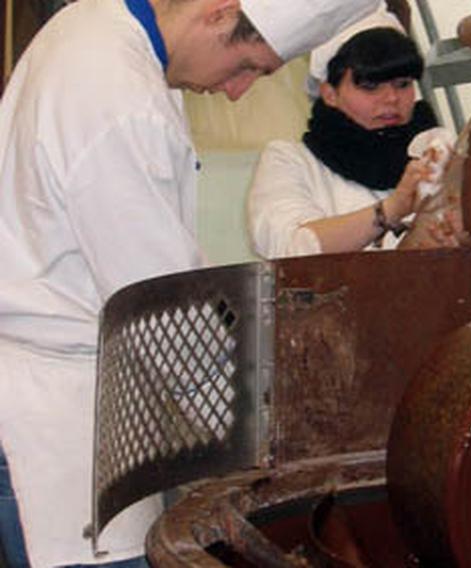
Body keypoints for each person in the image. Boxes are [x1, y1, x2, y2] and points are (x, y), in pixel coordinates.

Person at [0, 0, 381, 566]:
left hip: (80, 406)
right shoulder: (118, 97)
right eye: (245, 66)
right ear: (218, 12)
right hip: (57, 427)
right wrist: (268, 437)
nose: (236, 92)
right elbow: (171, 320)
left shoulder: (92, 25)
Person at [247, 9, 453, 258]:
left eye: (403, 84)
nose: (391, 98)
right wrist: (391, 209)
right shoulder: (290, 161)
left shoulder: (443, 151)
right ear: (330, 94)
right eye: (370, 86)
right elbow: (290, 248)